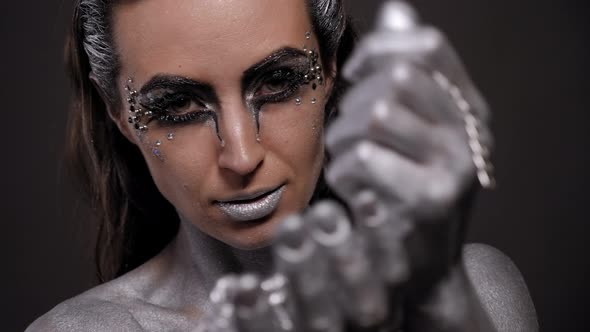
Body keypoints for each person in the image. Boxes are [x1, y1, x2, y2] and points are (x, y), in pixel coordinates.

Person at [27, 0, 538, 331]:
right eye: (179, 106)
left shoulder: (473, 293)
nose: (242, 156)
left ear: (331, 68)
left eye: (277, 83)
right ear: (118, 113)